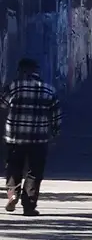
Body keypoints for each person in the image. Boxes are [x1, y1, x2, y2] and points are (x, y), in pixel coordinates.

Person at [0, 58, 62, 216]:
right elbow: (56, 115)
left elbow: (2, 104)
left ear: (21, 70)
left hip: (15, 137)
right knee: (35, 171)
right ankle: (29, 206)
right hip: (39, 139)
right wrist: (55, 133)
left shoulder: (14, 87)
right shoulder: (48, 90)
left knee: (14, 167)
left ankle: (12, 194)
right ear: (36, 71)